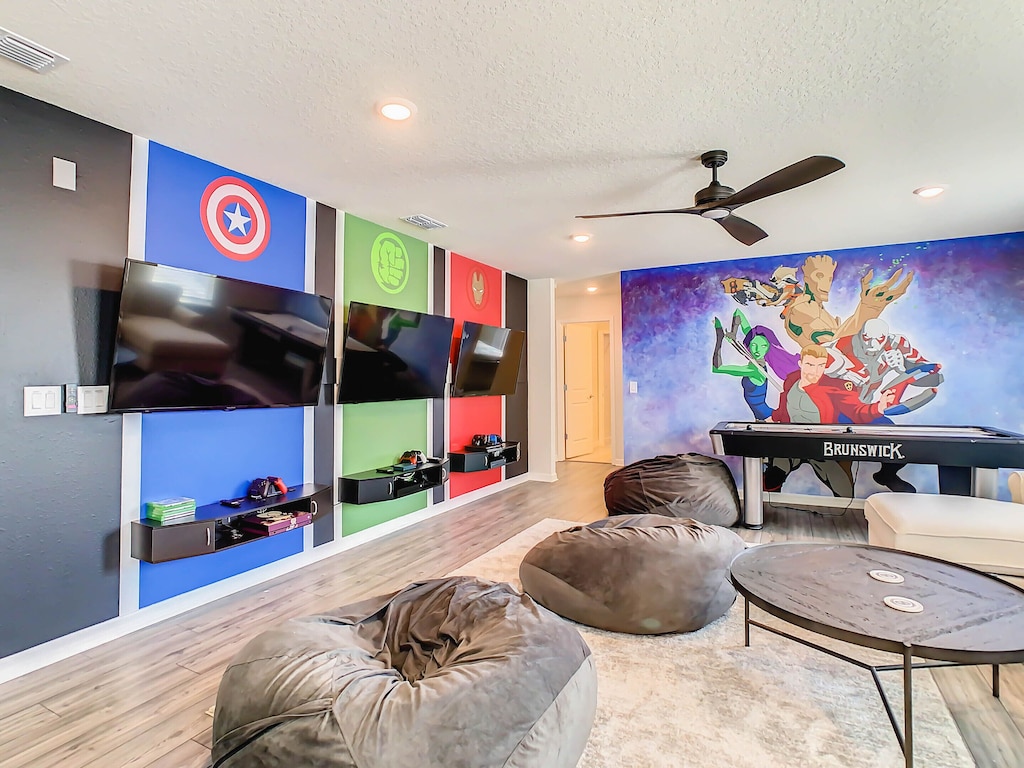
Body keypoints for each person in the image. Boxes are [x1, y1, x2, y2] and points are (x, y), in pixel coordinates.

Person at [764, 344, 897, 497]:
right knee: (774, 475)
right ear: (801, 363)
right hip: (792, 441)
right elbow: (783, 406)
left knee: (844, 491)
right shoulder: (791, 379)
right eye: (810, 365)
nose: (814, 371)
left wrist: (878, 407)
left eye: (820, 366)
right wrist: (773, 418)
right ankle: (768, 510)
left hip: (820, 445)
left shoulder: (834, 387)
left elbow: (856, 411)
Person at [711, 309, 799, 420]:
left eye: (763, 346)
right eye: (754, 345)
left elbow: (718, 368)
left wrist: (719, 339)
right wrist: (733, 332)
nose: (757, 349)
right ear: (749, 345)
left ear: (768, 348)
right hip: (761, 417)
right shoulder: (756, 364)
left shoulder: (755, 370)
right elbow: (738, 313)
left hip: (767, 417)